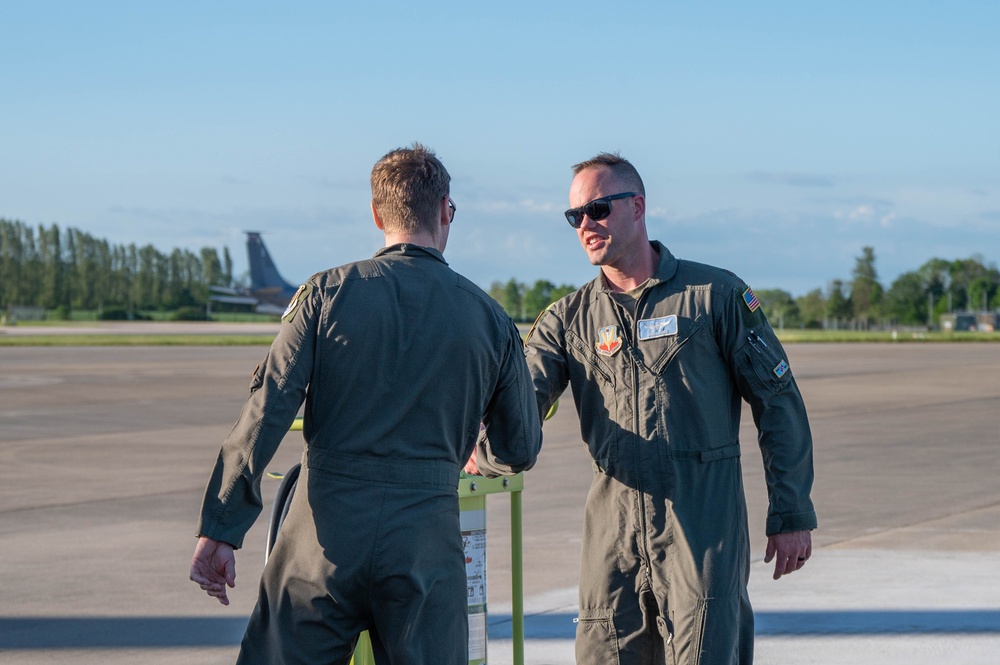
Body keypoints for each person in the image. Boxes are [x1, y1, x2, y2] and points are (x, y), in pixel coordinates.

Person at [190, 143, 542, 665]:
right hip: (426, 543)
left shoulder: (325, 294)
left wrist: (221, 528)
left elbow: (266, 413)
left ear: (376, 214)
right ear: (446, 211)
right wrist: (472, 452)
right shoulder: (491, 319)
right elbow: (520, 446)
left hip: (322, 539)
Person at [471, 152, 816, 664]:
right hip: (612, 538)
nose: (586, 225)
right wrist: (476, 453)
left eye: (599, 210)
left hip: (701, 532)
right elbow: (519, 402)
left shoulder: (715, 296)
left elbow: (778, 401)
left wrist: (790, 511)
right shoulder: (567, 320)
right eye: (575, 216)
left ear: (638, 206)